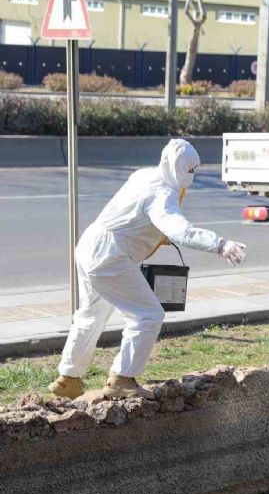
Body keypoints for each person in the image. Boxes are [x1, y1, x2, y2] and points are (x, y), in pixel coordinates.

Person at [48, 139, 247, 401]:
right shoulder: (162, 195)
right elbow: (181, 230)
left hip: (89, 246)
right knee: (148, 314)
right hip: (110, 257)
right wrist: (220, 244)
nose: (193, 175)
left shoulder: (143, 175)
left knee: (90, 315)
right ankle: (122, 378)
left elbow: (132, 216)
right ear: (177, 168)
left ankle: (68, 380)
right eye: (190, 170)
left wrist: (155, 236)